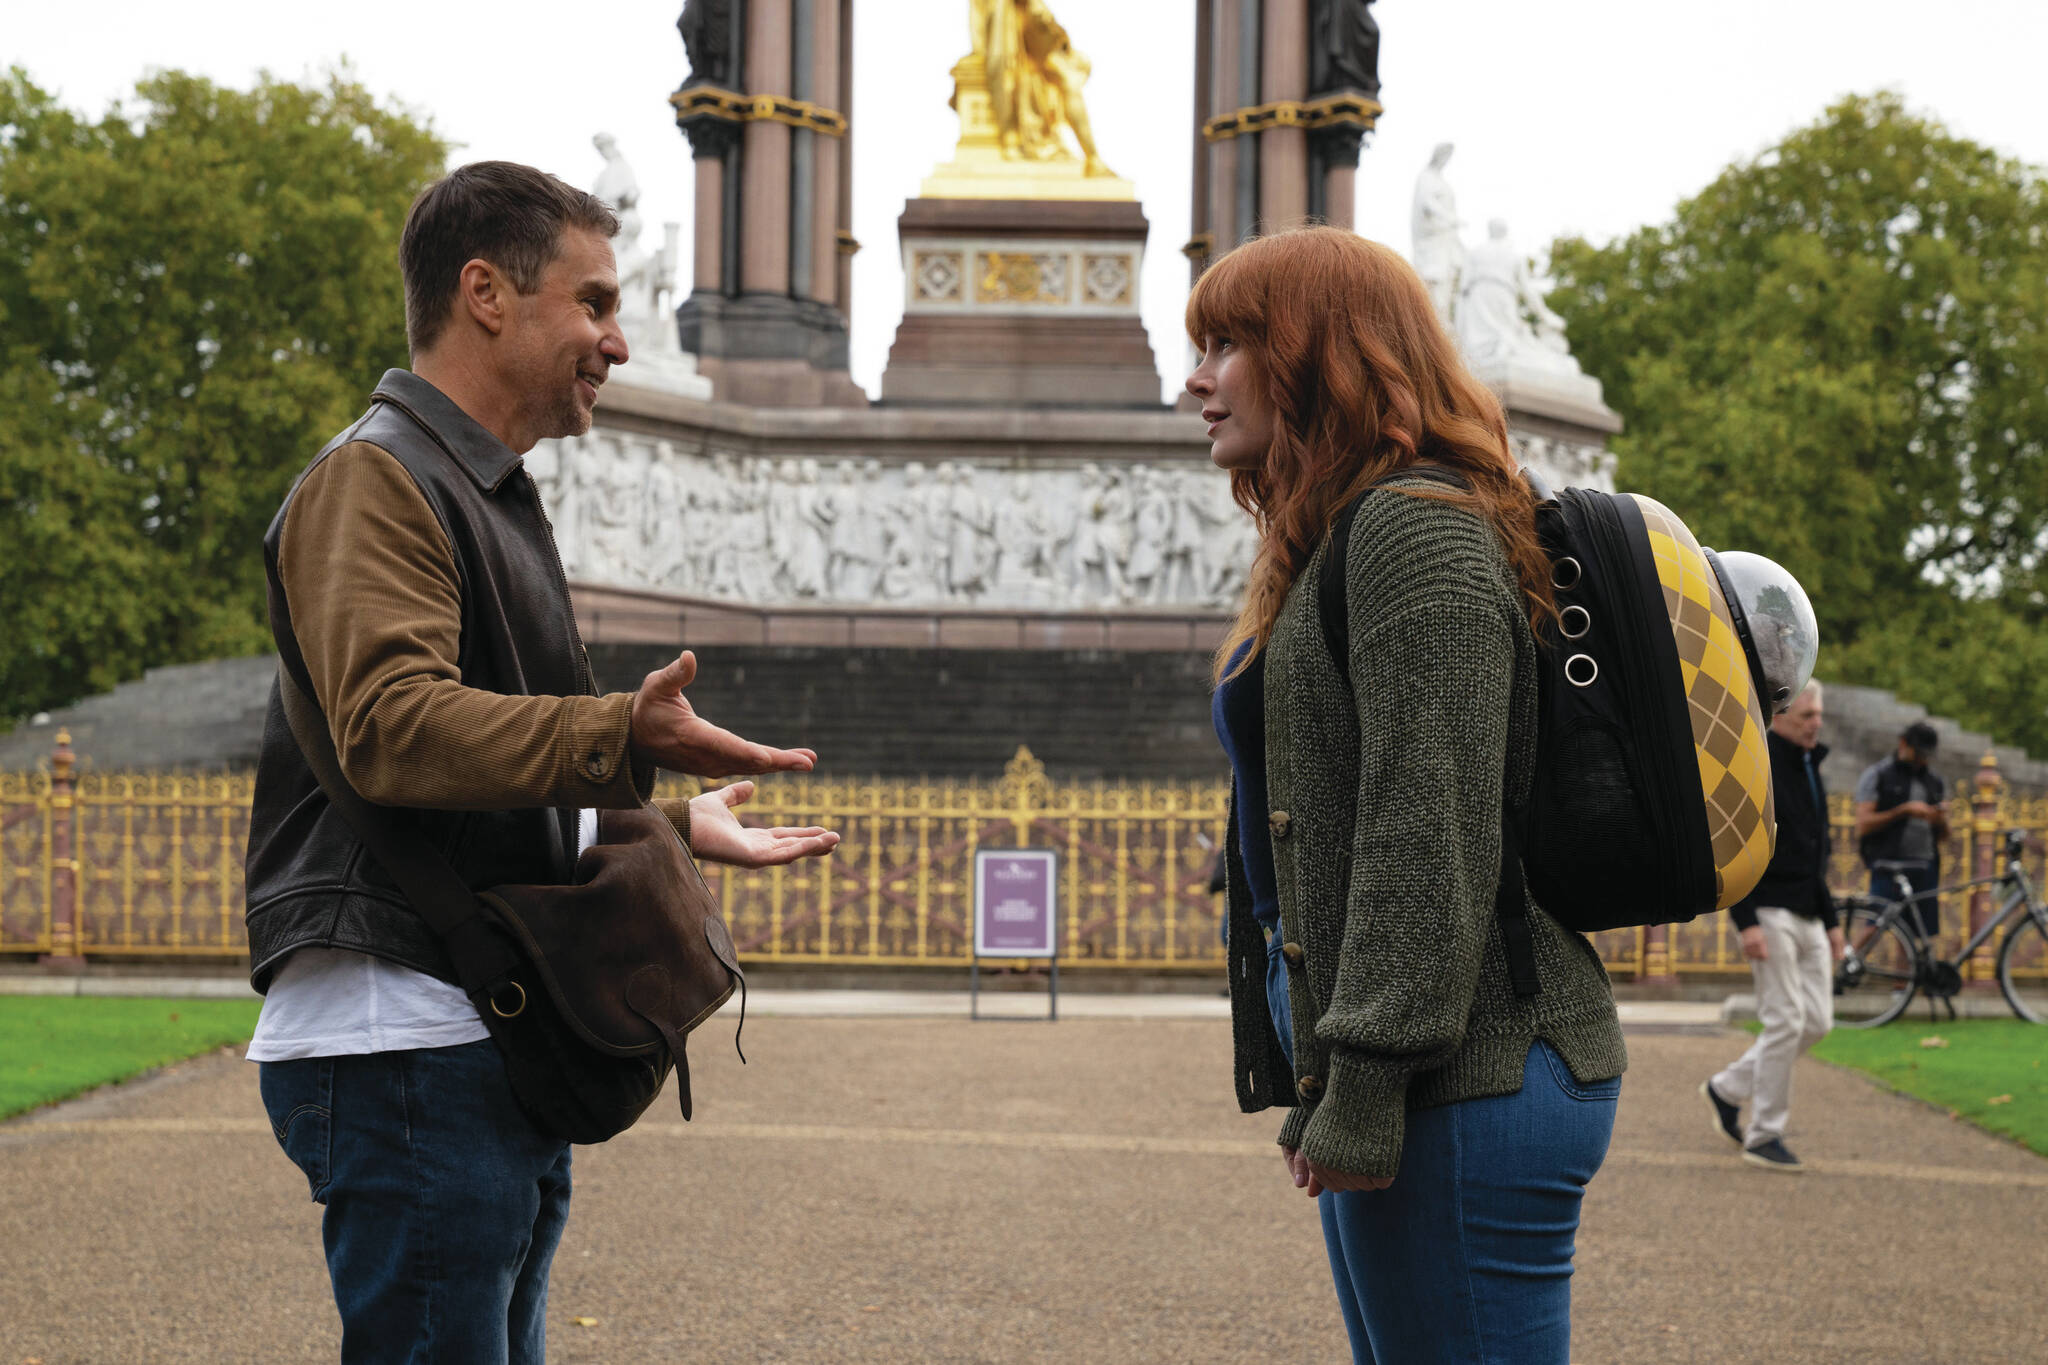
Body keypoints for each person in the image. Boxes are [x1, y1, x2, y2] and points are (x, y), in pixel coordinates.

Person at [242, 161, 841, 1363]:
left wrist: (664, 830)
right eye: (595, 303)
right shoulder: (378, 478)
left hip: (470, 1029)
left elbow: (479, 787)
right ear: (485, 294)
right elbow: (394, 727)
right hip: (404, 1033)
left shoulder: (473, 486)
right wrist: (616, 736)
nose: (620, 342)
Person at [1189, 226, 1626, 1364]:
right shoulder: (1340, 533)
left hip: (1466, 1074)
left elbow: (1422, 827)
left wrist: (1367, 1078)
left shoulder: (1408, 532)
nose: (1194, 378)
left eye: (1228, 344)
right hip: (1433, 1070)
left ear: (1319, 357)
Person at [1700, 681, 1841, 1174]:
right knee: (1785, 1021)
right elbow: (1735, 843)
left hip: (1807, 911)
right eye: (1806, 715)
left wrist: (1833, 922)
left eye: (1818, 714)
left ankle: (1729, 1088)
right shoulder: (1761, 763)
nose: (1815, 722)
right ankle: (1764, 1134)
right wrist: (1746, 922)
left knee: (1818, 1022)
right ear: (1780, 716)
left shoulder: (1809, 764)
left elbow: (1815, 855)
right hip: (1770, 913)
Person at [1853, 720, 1949, 935]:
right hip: (1889, 865)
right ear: (1903, 744)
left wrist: (1939, 818)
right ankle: (1850, 965)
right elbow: (1863, 825)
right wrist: (1903, 811)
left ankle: (1908, 970)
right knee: (1875, 925)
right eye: (1918, 753)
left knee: (1917, 936)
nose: (1921, 760)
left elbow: (1944, 836)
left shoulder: (1935, 781)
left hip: (1925, 866)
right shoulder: (1879, 774)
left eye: (1926, 755)